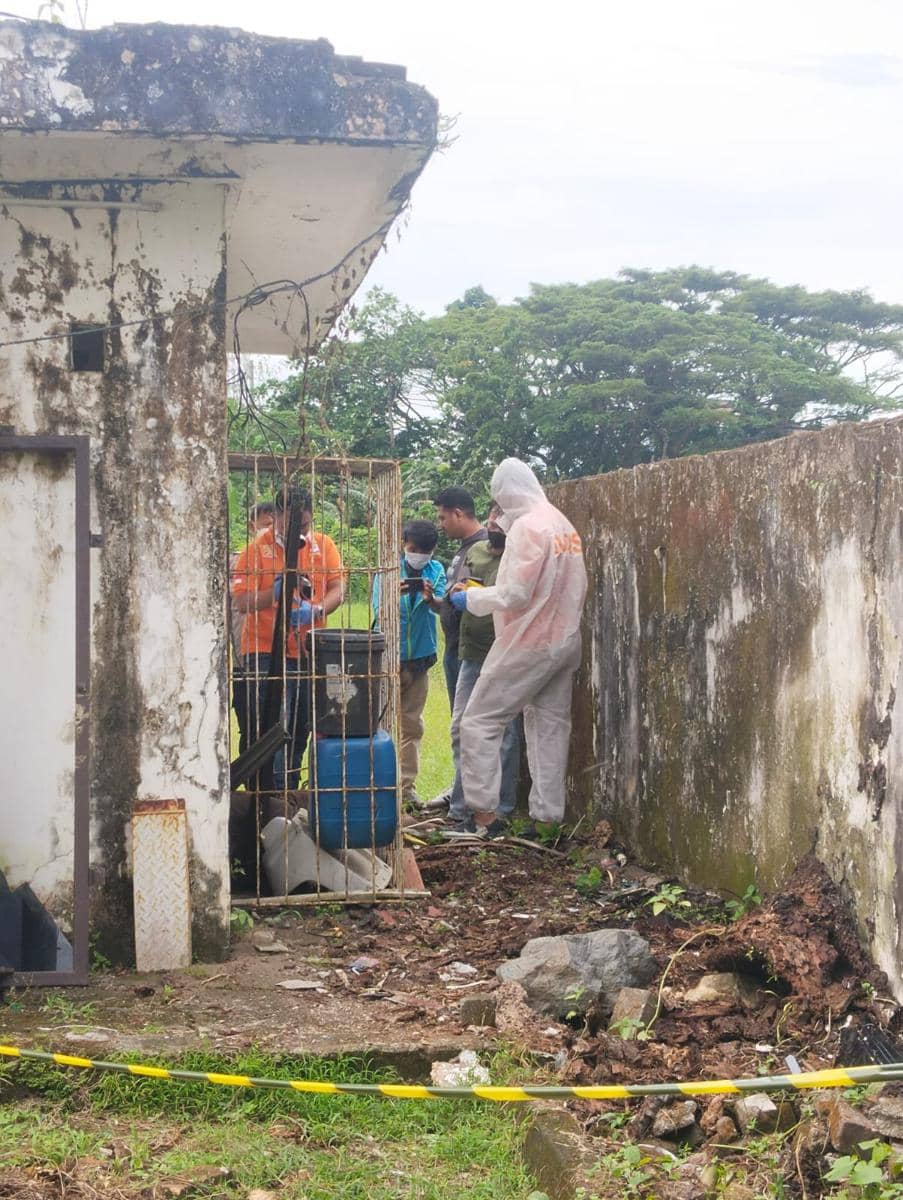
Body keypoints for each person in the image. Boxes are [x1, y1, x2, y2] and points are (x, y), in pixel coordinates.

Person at [452, 458, 587, 837]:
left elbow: (516, 592)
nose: (499, 510)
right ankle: (547, 822)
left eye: (499, 499)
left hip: (530, 642)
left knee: (479, 720)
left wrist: (472, 599)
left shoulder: (529, 526)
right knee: (550, 727)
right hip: (564, 641)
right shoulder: (562, 524)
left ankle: (484, 818)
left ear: (506, 492)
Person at [230, 488, 344, 790]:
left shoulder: (323, 545)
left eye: (304, 525)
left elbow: (338, 589)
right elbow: (241, 602)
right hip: (265, 649)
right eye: (292, 524)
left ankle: (290, 790)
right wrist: (274, 594)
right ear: (278, 516)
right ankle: (270, 793)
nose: (299, 531)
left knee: (301, 725)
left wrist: (316, 610)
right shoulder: (255, 551)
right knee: (273, 726)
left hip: (309, 649)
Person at [446, 501, 522, 835]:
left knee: (504, 733)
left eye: (502, 516)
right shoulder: (476, 550)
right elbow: (462, 585)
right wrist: (458, 592)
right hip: (471, 653)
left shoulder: (520, 558)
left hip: (505, 654)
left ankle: (499, 811)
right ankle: (462, 808)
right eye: (493, 513)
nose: (494, 521)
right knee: (462, 727)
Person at [374, 519, 446, 806]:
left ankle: (406, 788)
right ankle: (379, 784)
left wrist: (430, 599)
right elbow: (378, 608)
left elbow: (441, 606)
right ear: (404, 544)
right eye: (413, 549)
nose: (418, 555)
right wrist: (394, 595)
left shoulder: (436, 570)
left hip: (420, 661)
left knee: (412, 725)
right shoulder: (388, 571)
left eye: (424, 551)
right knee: (382, 723)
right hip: (388, 658)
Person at [433, 487, 488, 710]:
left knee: (470, 720)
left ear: (458, 513)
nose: (441, 524)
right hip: (454, 646)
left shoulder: (484, 548)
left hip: (471, 651)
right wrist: (433, 602)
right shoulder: (464, 548)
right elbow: (456, 598)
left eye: (442, 518)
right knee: (459, 718)